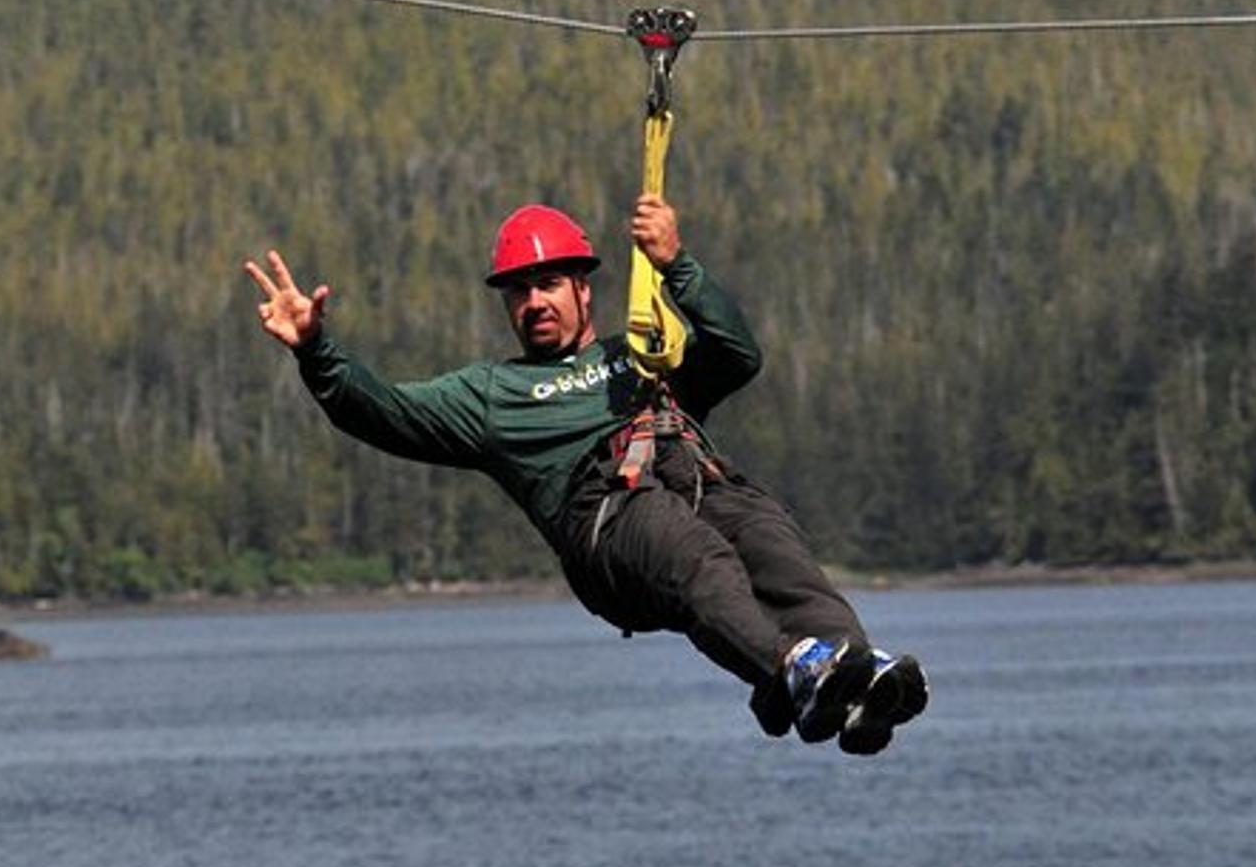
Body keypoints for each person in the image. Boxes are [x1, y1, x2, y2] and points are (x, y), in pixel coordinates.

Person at [243, 194, 927, 755]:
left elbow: (736, 355)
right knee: (696, 553)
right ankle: (791, 668)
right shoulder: (494, 395)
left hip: (692, 479)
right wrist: (316, 351)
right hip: (607, 522)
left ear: (581, 287)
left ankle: (854, 677)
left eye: (546, 284)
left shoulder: (638, 353)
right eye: (518, 292)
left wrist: (676, 265)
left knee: (774, 543)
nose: (533, 302)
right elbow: (383, 412)